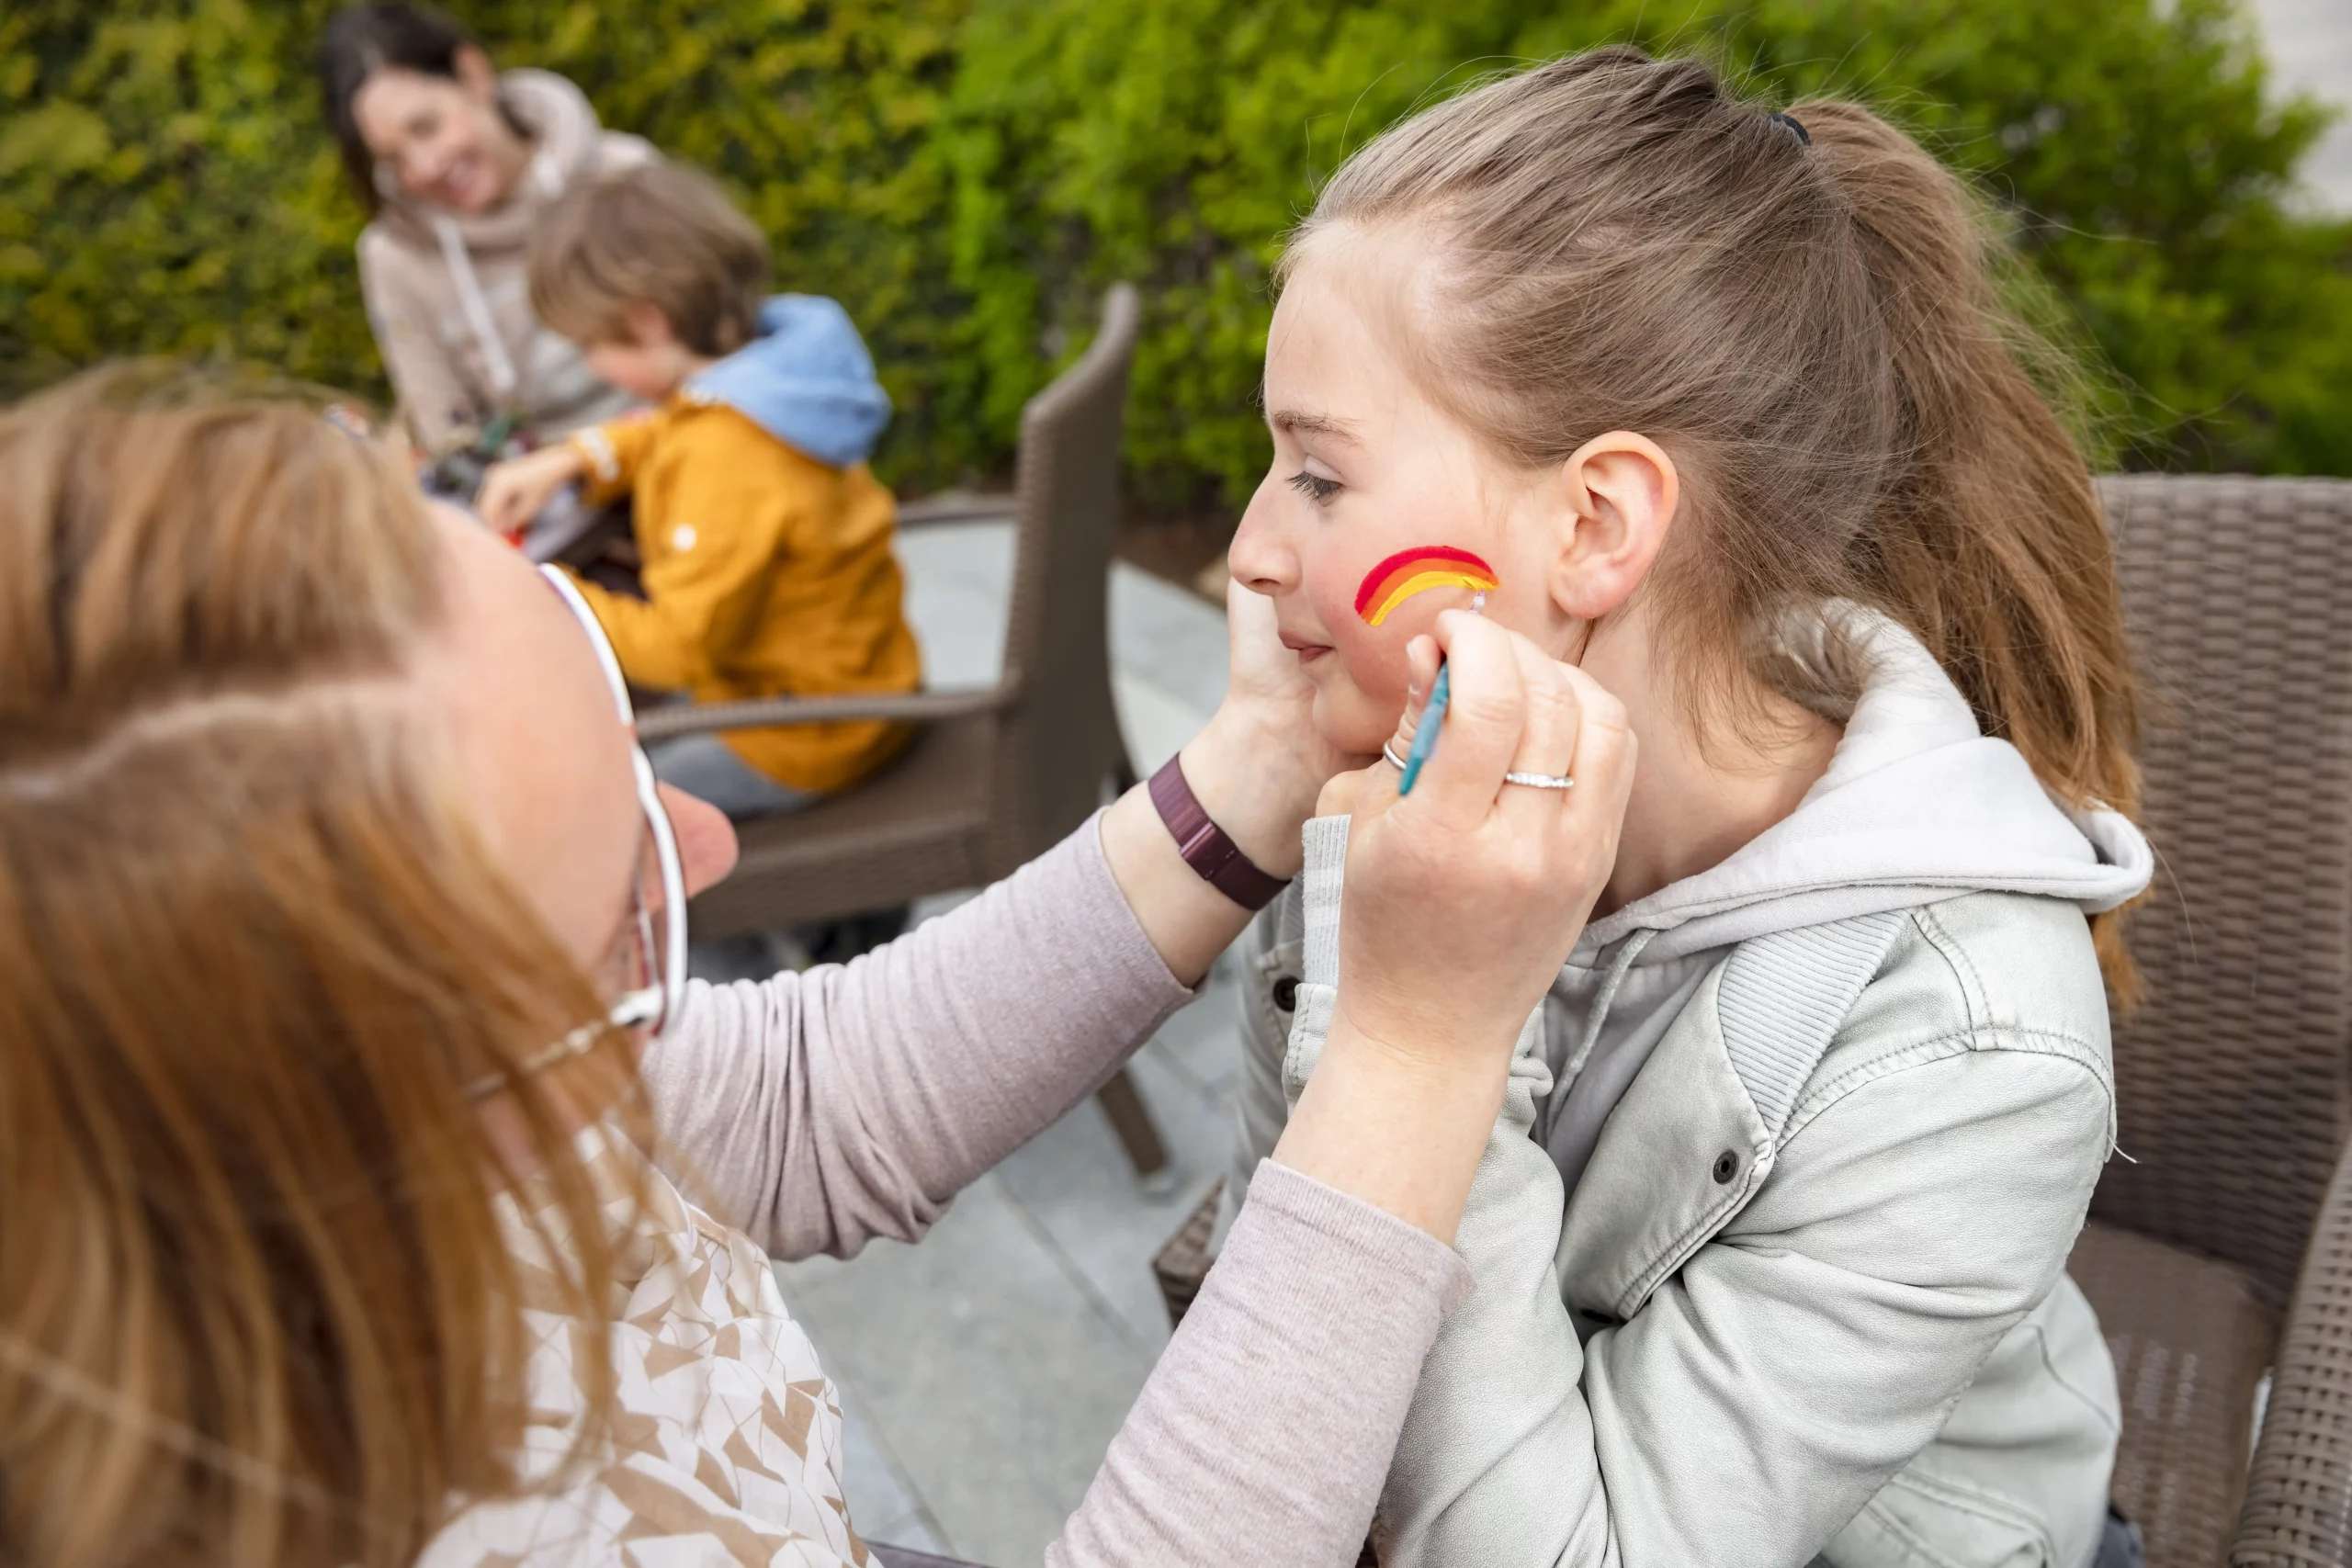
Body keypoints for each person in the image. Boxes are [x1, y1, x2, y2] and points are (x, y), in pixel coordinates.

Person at [0, 363, 1634, 1567]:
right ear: (334, 1138)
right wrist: (1417, 1048)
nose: (706, 849)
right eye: (633, 935)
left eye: (637, 748)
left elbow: (802, 1098)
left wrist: (1258, 772)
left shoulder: (378, 1116)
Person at [1212, 48, 2154, 1568]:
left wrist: (1439, 1027)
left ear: (1593, 526)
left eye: (1318, 477)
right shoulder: (1394, 786)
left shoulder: (1978, 1043)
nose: (1252, 553)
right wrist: (1330, 895)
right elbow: (1308, 1284)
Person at [473, 162, 915, 819]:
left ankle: (748, 925)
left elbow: (675, 650)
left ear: (648, 322)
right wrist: (577, 459)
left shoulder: (728, 457)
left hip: (812, 727)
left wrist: (545, 591)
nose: (592, 363)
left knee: (620, 808)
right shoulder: (772, 377)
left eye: (590, 344)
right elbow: (669, 430)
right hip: (862, 678)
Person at [320, 2, 653, 456]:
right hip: (541, 509)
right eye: (393, 159)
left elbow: (714, 367)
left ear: (473, 74)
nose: (425, 166)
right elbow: (451, 442)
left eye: (426, 126)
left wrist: (599, 458)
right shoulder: (394, 256)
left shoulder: (626, 175)